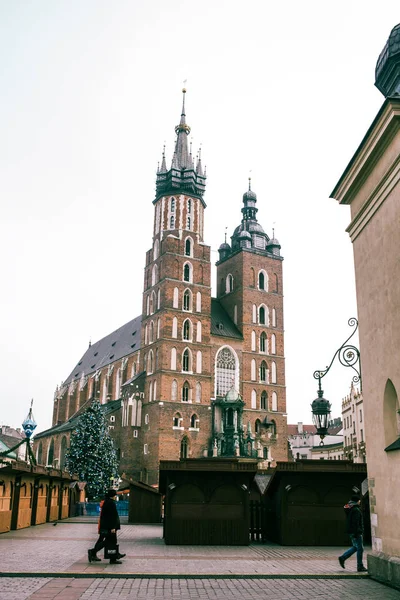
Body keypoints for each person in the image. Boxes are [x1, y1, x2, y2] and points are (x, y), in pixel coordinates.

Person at [88, 489, 126, 564]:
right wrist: (113, 527)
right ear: (113, 495)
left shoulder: (107, 502)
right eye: (115, 495)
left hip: (107, 526)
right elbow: (111, 516)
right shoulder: (110, 503)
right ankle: (94, 552)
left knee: (110, 541)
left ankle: (114, 556)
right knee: (110, 541)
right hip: (110, 527)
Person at [338, 494, 367, 572]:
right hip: (356, 532)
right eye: (359, 501)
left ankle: (343, 557)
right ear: (357, 501)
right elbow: (356, 522)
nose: (360, 502)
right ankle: (360, 566)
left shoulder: (349, 508)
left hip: (351, 531)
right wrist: (357, 533)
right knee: (360, 549)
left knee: (355, 547)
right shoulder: (356, 510)